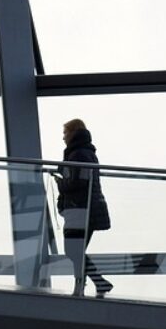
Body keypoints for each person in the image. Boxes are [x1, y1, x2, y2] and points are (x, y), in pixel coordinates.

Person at [54, 118, 112, 297]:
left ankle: (85, 285)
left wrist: (60, 183)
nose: (63, 137)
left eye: (65, 133)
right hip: (87, 208)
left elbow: (78, 182)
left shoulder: (78, 154)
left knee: (73, 251)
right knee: (76, 251)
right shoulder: (86, 153)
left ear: (73, 133)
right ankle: (96, 283)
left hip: (80, 210)